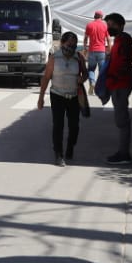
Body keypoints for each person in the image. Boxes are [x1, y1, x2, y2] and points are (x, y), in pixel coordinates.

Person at [37, 31, 88, 166]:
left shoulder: (79, 57)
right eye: (69, 44)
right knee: (58, 126)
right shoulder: (54, 58)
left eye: (74, 45)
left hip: (74, 96)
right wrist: (41, 98)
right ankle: (58, 154)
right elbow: (46, 78)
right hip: (57, 95)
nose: (71, 47)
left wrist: (82, 78)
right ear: (62, 43)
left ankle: (70, 146)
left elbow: (85, 73)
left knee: (74, 126)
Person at [103, 12, 132, 165]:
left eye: (112, 25)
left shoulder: (124, 40)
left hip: (120, 84)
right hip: (117, 83)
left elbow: (123, 63)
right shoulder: (118, 39)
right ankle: (123, 151)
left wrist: (114, 77)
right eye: (108, 25)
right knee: (121, 119)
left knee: (122, 120)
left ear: (121, 25)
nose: (109, 28)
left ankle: (124, 154)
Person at [83, 10, 109, 93]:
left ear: (94, 16)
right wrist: (109, 50)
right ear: (101, 17)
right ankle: (101, 87)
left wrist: (85, 48)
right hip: (101, 51)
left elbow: (85, 38)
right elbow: (108, 39)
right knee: (102, 71)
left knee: (91, 69)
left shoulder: (89, 25)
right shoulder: (104, 25)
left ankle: (92, 82)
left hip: (92, 51)